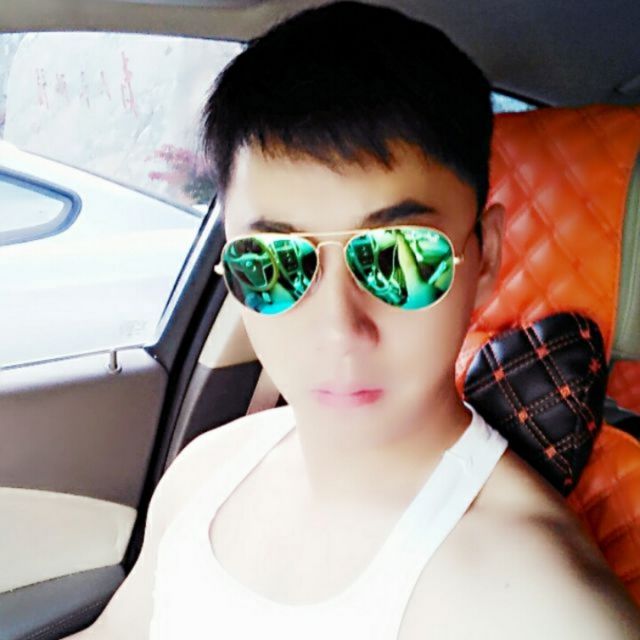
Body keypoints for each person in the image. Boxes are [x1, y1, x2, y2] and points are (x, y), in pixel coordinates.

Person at [66, 2, 640, 638]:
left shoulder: (538, 603)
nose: (338, 330)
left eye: (400, 257)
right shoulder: (205, 473)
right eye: (275, 261)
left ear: (487, 257)